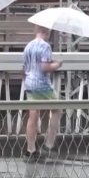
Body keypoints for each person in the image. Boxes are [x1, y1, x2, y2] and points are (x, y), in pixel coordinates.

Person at [22, 25, 62, 159]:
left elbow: (24, 67)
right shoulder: (45, 47)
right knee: (56, 109)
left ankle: (31, 149)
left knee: (33, 115)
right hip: (43, 84)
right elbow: (45, 67)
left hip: (30, 83)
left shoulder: (28, 46)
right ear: (46, 32)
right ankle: (49, 143)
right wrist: (57, 64)